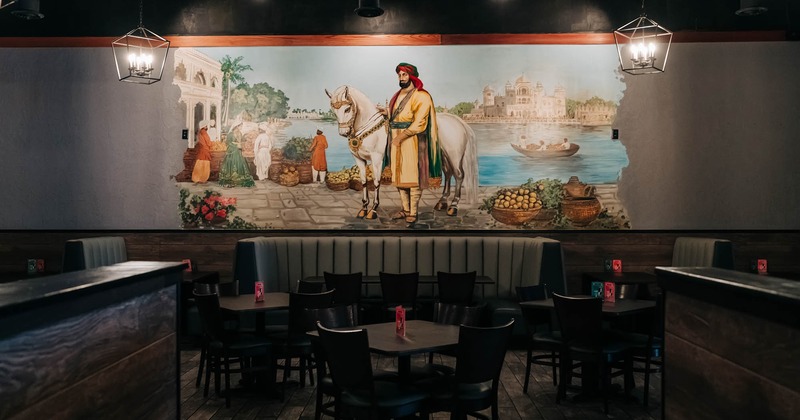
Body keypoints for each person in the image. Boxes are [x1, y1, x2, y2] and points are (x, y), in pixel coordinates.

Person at [380, 62, 442, 227]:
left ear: (412, 76)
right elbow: (398, 116)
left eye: (404, 75)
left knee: (413, 178)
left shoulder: (422, 96)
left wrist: (401, 138)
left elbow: (420, 122)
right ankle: (405, 210)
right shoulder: (397, 95)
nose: (401, 78)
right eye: (399, 75)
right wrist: (386, 113)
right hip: (395, 139)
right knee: (399, 178)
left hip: (412, 141)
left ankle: (413, 212)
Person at [218, 123, 255, 188]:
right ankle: (230, 179)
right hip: (232, 151)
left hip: (239, 151)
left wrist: (242, 144)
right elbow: (228, 143)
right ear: (236, 126)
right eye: (240, 126)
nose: (241, 127)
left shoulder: (240, 133)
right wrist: (236, 145)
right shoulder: (230, 134)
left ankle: (240, 179)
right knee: (232, 162)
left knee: (241, 163)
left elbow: (241, 141)